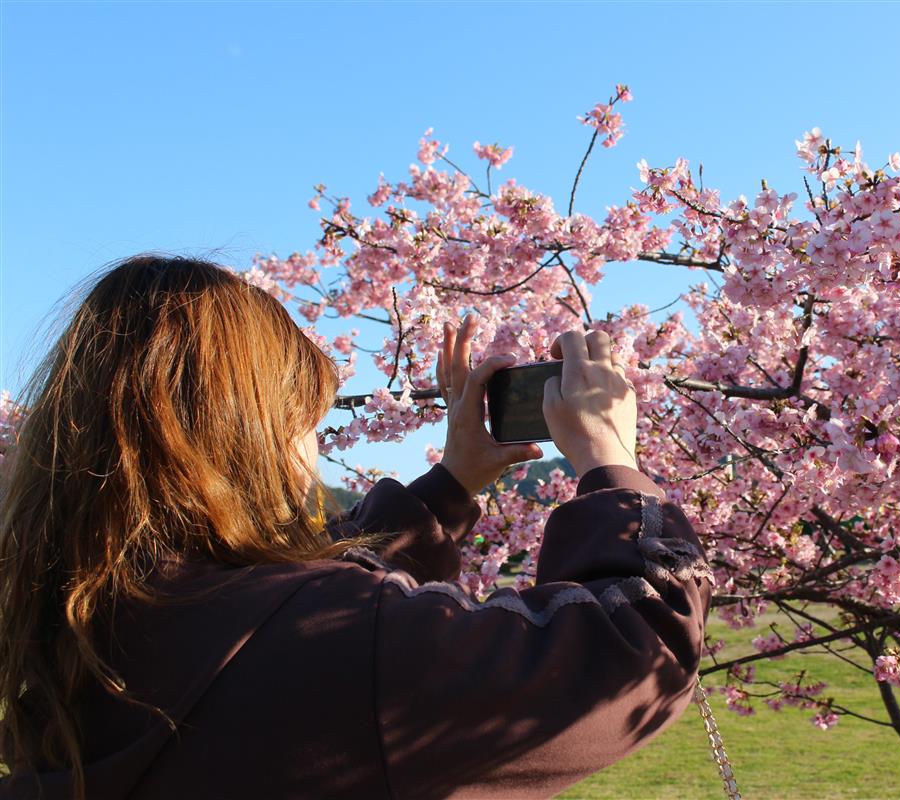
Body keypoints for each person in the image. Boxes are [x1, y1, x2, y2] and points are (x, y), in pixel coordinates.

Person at [0, 255, 713, 800]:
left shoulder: (67, 621)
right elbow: (633, 650)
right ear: (250, 435)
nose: (312, 452)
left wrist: (452, 483)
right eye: (305, 424)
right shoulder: (334, 642)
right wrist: (611, 458)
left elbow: (286, 608)